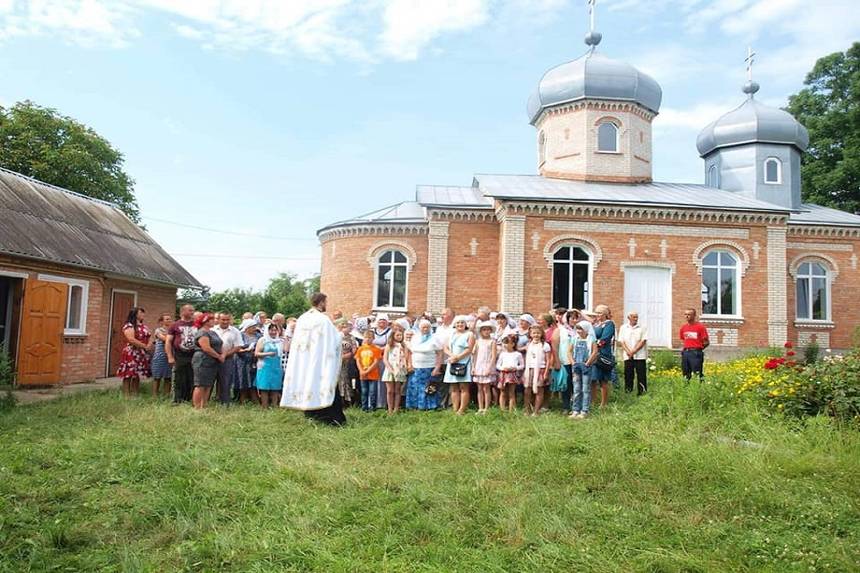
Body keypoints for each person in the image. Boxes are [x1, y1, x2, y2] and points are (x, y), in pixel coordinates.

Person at [280, 293, 346, 426]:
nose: (326, 305)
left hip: (306, 360)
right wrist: (340, 333)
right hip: (320, 361)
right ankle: (331, 418)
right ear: (321, 302)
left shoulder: (303, 318)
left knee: (308, 382)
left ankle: (311, 414)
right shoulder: (323, 319)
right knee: (324, 383)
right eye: (325, 302)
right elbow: (332, 341)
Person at [405, 319, 443, 410]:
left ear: (430, 328)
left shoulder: (435, 338)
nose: (425, 329)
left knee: (429, 387)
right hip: (416, 368)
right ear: (419, 328)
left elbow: (440, 353)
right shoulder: (415, 338)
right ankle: (415, 406)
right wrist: (409, 364)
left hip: (429, 367)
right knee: (415, 387)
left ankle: (430, 406)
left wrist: (437, 368)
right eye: (423, 327)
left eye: (427, 327)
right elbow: (410, 352)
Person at [116, 306, 153, 397]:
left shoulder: (144, 326)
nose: (143, 314)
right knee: (128, 374)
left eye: (143, 313)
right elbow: (131, 339)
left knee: (137, 374)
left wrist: (149, 345)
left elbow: (150, 336)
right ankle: (126, 395)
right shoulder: (129, 325)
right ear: (135, 314)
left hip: (141, 353)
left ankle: (135, 393)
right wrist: (144, 346)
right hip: (132, 352)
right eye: (141, 313)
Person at [444, 315, 475, 415]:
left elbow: (469, 349)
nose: (460, 324)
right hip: (452, 362)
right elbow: (445, 348)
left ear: (465, 324)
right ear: (454, 324)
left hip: (464, 363)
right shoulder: (451, 334)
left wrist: (458, 357)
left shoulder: (469, 334)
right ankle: (455, 408)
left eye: (462, 322)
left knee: (463, 387)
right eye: (458, 322)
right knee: (454, 388)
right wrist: (452, 356)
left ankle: (462, 409)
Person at [191, 313, 223, 410]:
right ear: (205, 321)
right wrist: (218, 356)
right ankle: (197, 407)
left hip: (212, 361)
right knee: (200, 384)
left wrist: (221, 354)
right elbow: (206, 348)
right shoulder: (202, 332)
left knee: (208, 384)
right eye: (211, 319)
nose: (214, 321)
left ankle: (204, 405)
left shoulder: (213, 332)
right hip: (202, 360)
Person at [166, 304, 196, 404]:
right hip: (180, 355)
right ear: (183, 312)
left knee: (191, 378)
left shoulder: (197, 325)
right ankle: (177, 399)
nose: (192, 312)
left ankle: (190, 399)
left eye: (193, 310)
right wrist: (170, 356)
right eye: (190, 310)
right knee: (179, 378)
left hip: (193, 355)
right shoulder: (175, 325)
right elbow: (168, 341)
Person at [213, 312, 243, 405]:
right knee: (209, 381)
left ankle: (225, 402)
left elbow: (238, 346)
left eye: (227, 320)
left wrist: (224, 355)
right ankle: (206, 401)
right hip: (212, 358)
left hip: (228, 359)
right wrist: (217, 355)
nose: (225, 322)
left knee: (226, 381)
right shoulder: (212, 330)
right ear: (218, 319)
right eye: (223, 319)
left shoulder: (235, 331)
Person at [569, 321, 597, 419]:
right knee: (576, 389)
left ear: (586, 329)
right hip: (576, 365)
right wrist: (573, 362)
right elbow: (569, 351)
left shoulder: (591, 339)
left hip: (586, 366)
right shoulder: (574, 339)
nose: (579, 331)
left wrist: (588, 363)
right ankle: (575, 409)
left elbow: (595, 352)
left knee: (585, 389)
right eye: (577, 329)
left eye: (581, 329)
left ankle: (584, 410)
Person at [591, 304, 616, 409]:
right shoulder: (596, 324)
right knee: (593, 378)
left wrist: (594, 344)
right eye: (596, 313)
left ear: (605, 314)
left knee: (602, 379)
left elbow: (604, 339)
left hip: (603, 354)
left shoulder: (609, 324)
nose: (598, 315)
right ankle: (592, 401)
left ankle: (603, 403)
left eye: (600, 313)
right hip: (593, 354)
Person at [523, 325, 551, 416]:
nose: (536, 335)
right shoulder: (529, 345)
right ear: (530, 334)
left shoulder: (545, 345)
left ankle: (536, 411)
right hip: (529, 369)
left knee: (539, 390)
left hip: (540, 369)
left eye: (538, 333)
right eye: (534, 333)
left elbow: (548, 360)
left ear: (542, 334)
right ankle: (527, 410)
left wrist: (546, 372)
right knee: (527, 390)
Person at [255, 323, 284, 409]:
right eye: (271, 330)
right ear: (267, 331)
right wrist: (267, 354)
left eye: (275, 330)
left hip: (276, 366)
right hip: (265, 366)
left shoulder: (279, 341)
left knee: (275, 387)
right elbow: (256, 353)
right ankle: (264, 406)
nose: (273, 332)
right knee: (264, 387)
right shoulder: (263, 340)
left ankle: (274, 406)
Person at [471, 320, 497, 414]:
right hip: (479, 365)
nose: (486, 331)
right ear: (481, 331)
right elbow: (474, 355)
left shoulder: (492, 341)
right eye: (484, 330)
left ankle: (486, 408)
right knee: (479, 388)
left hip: (487, 366)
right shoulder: (478, 341)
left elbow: (493, 356)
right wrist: (473, 367)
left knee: (486, 388)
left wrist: (489, 368)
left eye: (488, 329)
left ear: (491, 331)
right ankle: (480, 407)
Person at [618, 312, 648, 394]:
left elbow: (643, 341)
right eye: (634, 317)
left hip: (640, 355)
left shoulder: (642, 327)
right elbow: (622, 341)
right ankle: (628, 392)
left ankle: (642, 392)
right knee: (628, 374)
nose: (636, 319)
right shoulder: (623, 328)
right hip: (627, 355)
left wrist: (634, 351)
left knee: (641, 375)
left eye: (636, 317)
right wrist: (628, 351)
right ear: (629, 318)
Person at [382, 328, 409, 414]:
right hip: (390, 368)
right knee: (390, 390)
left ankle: (396, 408)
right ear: (393, 336)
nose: (399, 337)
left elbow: (406, 357)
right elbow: (385, 359)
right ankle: (390, 409)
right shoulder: (389, 346)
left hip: (400, 368)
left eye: (400, 335)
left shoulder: (404, 346)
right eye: (397, 335)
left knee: (398, 390)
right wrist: (390, 369)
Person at [356, 330, 383, 412]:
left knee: (372, 392)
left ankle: (373, 407)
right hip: (363, 374)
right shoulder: (360, 349)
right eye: (366, 337)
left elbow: (376, 362)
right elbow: (358, 360)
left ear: (373, 338)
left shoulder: (376, 349)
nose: (367, 339)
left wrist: (367, 371)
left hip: (373, 374)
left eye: (370, 337)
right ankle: (364, 407)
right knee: (364, 391)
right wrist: (361, 370)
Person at [434, 308, 456, 408]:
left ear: (451, 316)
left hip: (451, 359)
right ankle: (442, 404)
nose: (442, 316)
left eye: (444, 314)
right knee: (441, 383)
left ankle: (451, 404)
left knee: (451, 383)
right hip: (440, 360)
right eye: (441, 314)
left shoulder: (454, 328)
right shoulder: (439, 328)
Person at [496, 334, 524, 412]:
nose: (505, 345)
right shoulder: (502, 354)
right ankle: (502, 410)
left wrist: (515, 368)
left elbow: (522, 365)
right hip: (503, 374)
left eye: (507, 343)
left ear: (513, 344)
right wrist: (503, 368)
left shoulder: (518, 354)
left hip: (512, 374)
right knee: (502, 392)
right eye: (504, 343)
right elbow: (498, 365)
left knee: (512, 393)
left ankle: (511, 410)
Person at [680, 308, 709, 381]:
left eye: (689, 314)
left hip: (696, 353)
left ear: (694, 315)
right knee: (685, 373)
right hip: (686, 353)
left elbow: (706, 342)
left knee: (697, 373)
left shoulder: (700, 327)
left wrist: (697, 349)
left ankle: (700, 386)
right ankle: (686, 386)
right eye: (685, 314)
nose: (687, 316)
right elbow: (683, 339)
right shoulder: (683, 328)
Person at [235, 319, 260, 404]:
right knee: (243, 379)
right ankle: (242, 399)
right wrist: (246, 350)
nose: (254, 329)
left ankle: (254, 398)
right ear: (247, 327)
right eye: (252, 327)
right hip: (242, 360)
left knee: (253, 380)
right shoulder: (241, 335)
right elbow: (237, 348)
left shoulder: (258, 336)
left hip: (254, 361)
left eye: (255, 327)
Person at [372, 314, 392, 410]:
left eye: (384, 320)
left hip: (384, 358)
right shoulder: (372, 331)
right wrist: (374, 349)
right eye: (380, 320)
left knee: (382, 380)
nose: (382, 322)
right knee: (373, 380)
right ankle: (372, 402)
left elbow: (390, 343)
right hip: (372, 358)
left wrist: (380, 349)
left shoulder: (390, 332)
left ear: (387, 322)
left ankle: (381, 403)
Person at [335, 318, 357, 407]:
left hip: (348, 361)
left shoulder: (352, 337)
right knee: (339, 379)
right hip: (337, 361)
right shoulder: (336, 336)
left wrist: (350, 354)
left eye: (348, 327)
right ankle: (339, 399)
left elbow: (354, 348)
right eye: (345, 327)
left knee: (347, 379)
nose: (347, 329)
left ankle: (348, 399)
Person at [150, 313, 173, 397]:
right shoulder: (158, 330)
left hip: (169, 355)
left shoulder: (172, 330)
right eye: (167, 319)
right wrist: (171, 337)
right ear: (162, 321)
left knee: (168, 377)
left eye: (170, 319)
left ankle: (166, 395)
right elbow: (165, 339)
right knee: (157, 376)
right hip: (159, 356)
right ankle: (154, 395)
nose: (169, 320)